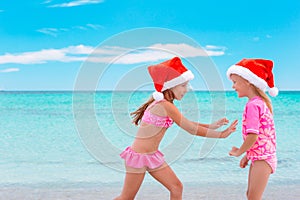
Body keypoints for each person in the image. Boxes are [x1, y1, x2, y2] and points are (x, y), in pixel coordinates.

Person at [114, 57, 238, 200]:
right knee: (126, 197)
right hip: (138, 157)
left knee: (176, 187)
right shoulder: (164, 105)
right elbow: (190, 128)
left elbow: (187, 123)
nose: (186, 90)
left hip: (152, 156)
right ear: (170, 86)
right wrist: (221, 134)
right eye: (183, 85)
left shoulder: (166, 104)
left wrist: (211, 126)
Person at [227, 58, 278, 200]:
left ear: (248, 82)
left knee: (253, 197)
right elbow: (262, 137)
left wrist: (239, 152)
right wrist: (247, 155)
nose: (233, 87)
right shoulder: (259, 103)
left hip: (263, 159)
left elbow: (253, 135)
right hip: (260, 157)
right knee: (251, 195)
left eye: (235, 82)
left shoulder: (253, 105)